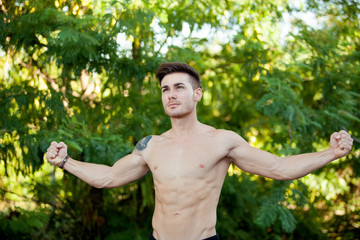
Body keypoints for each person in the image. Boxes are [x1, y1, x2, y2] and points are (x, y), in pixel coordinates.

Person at [46, 62, 353, 240]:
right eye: (165, 89)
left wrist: (331, 154)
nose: (171, 94)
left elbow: (279, 168)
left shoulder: (222, 141)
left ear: (197, 94)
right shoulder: (151, 145)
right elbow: (110, 177)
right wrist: (66, 162)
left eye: (179, 87)